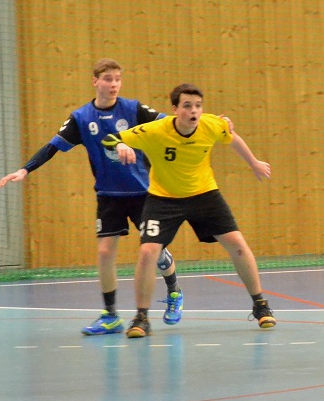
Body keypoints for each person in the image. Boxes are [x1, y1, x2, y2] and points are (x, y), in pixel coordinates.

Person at [0, 59, 185, 335]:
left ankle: (174, 291)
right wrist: (25, 169)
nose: (114, 84)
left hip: (144, 193)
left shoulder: (133, 109)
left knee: (153, 252)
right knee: (105, 251)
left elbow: (169, 123)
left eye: (118, 79)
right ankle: (111, 315)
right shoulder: (82, 118)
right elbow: (52, 146)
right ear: (95, 81)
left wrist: (202, 124)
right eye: (108, 79)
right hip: (109, 195)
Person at [102, 83, 272, 337]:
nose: (194, 111)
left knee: (237, 243)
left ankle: (260, 305)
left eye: (198, 106)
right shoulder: (156, 130)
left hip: (204, 195)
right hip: (163, 199)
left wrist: (254, 162)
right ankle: (141, 318)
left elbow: (231, 136)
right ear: (175, 109)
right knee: (148, 252)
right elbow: (108, 139)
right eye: (187, 106)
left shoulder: (211, 124)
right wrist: (120, 146)